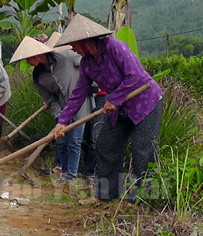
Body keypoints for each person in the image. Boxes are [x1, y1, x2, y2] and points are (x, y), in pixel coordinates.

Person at [52, 14, 163, 204]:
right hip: (120, 108)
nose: (72, 48)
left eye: (74, 44)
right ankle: (106, 196)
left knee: (142, 151)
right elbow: (78, 94)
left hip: (145, 103)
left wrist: (115, 98)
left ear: (84, 41)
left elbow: (134, 75)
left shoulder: (115, 47)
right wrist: (62, 121)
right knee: (106, 145)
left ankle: (141, 202)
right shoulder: (87, 64)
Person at [10, 34, 96, 183]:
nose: (26, 62)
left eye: (27, 58)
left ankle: (71, 177)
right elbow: (51, 99)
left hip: (81, 105)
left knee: (75, 141)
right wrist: (59, 116)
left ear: (37, 55)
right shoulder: (39, 77)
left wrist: (91, 85)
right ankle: (64, 173)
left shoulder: (67, 57)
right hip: (63, 110)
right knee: (61, 142)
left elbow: (88, 65)